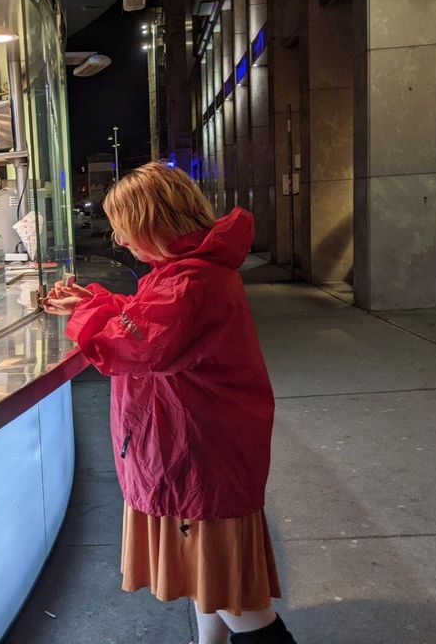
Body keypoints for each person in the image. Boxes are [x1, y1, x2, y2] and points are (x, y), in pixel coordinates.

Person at [44, 163, 296, 644]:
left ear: (151, 224)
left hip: (198, 457)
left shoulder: (190, 282)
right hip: (207, 450)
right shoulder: (189, 272)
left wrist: (89, 309)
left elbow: (136, 345)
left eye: (123, 229)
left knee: (232, 597)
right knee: (212, 581)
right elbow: (149, 320)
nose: (119, 241)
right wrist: (93, 301)